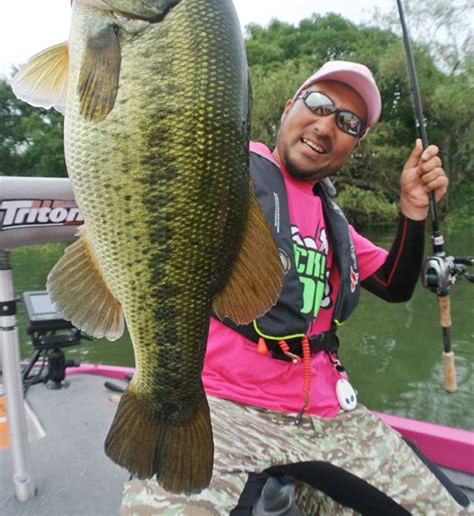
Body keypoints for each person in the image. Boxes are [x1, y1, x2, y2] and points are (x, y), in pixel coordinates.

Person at [121, 61, 470, 515]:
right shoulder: (227, 166)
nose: (326, 126)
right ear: (288, 108)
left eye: (348, 122)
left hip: (326, 414)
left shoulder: (333, 219)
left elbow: (394, 284)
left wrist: (412, 210)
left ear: (353, 145)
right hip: (217, 403)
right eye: (319, 104)